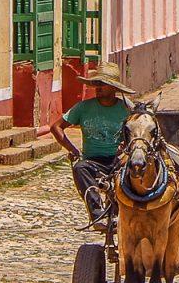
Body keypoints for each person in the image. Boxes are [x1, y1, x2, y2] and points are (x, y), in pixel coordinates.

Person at [50, 62, 136, 225]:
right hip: (92, 161)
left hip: (119, 160)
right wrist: (73, 150)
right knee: (80, 168)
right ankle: (97, 213)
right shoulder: (83, 108)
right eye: (96, 84)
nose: (98, 88)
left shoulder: (126, 110)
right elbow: (56, 127)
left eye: (103, 84)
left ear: (113, 88)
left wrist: (127, 149)